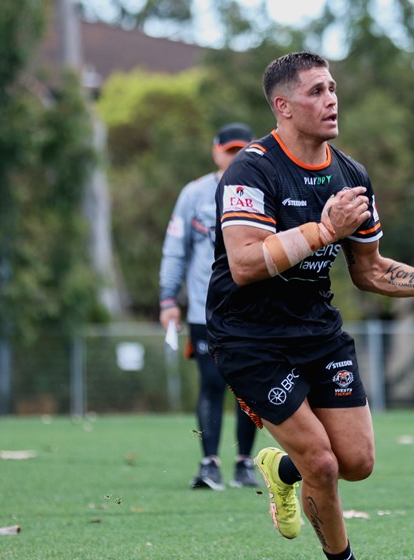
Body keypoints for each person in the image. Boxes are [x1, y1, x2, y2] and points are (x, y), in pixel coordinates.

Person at [206, 51, 414, 560]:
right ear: (283, 105)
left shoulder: (351, 175)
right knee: (322, 465)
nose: (331, 100)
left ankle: (281, 469)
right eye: (316, 92)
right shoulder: (251, 169)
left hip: (317, 331)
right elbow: (245, 264)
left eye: (333, 89)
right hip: (249, 338)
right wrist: (323, 231)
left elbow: (369, 271)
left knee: (358, 461)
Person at [159, 122, 260, 490]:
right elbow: (175, 249)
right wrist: (168, 298)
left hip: (251, 310)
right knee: (212, 383)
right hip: (205, 310)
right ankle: (209, 463)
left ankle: (245, 463)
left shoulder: (262, 187)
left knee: (250, 388)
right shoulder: (194, 194)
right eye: (229, 150)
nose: (234, 157)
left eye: (241, 150)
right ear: (216, 151)